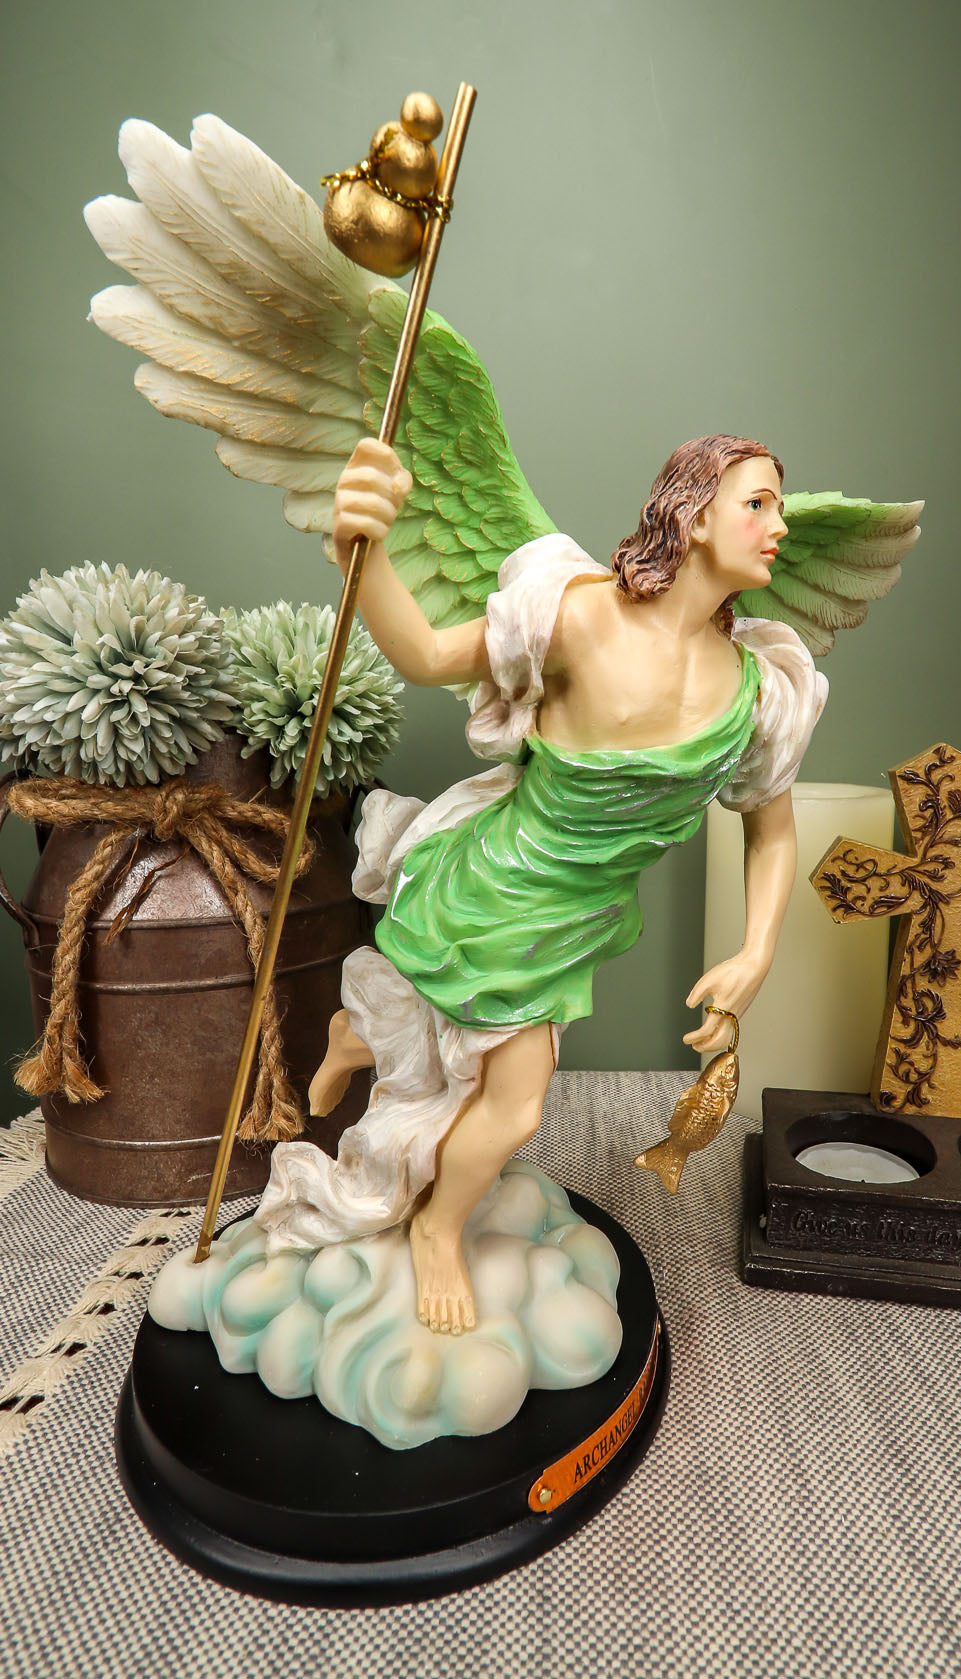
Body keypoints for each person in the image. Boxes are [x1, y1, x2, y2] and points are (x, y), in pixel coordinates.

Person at [255, 434, 827, 1335]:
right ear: (692, 512)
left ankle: (353, 1035)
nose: (779, 525)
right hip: (494, 886)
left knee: (453, 1034)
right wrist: (363, 555)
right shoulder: (582, 617)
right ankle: (436, 1230)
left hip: (576, 921)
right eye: (758, 503)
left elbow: (772, 828)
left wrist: (756, 950)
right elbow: (427, 655)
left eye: (780, 507)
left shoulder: (759, 687)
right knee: (516, 1104)